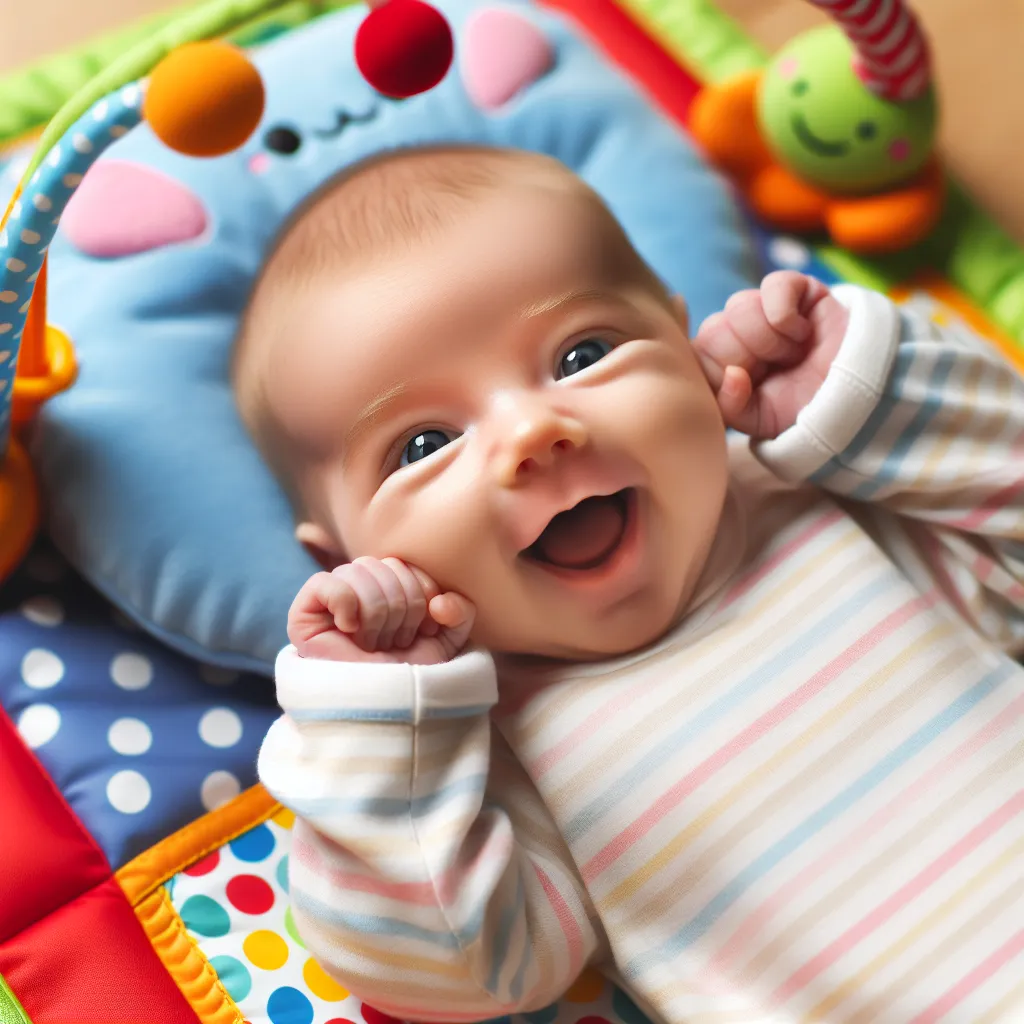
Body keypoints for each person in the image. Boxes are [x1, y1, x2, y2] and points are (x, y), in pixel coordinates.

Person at [234, 144, 1024, 1023]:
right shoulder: (478, 759)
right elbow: (452, 973)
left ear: (689, 352)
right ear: (345, 561)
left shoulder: (828, 500)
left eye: (581, 354)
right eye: (423, 445)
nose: (535, 429)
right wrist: (375, 724)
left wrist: (872, 403)